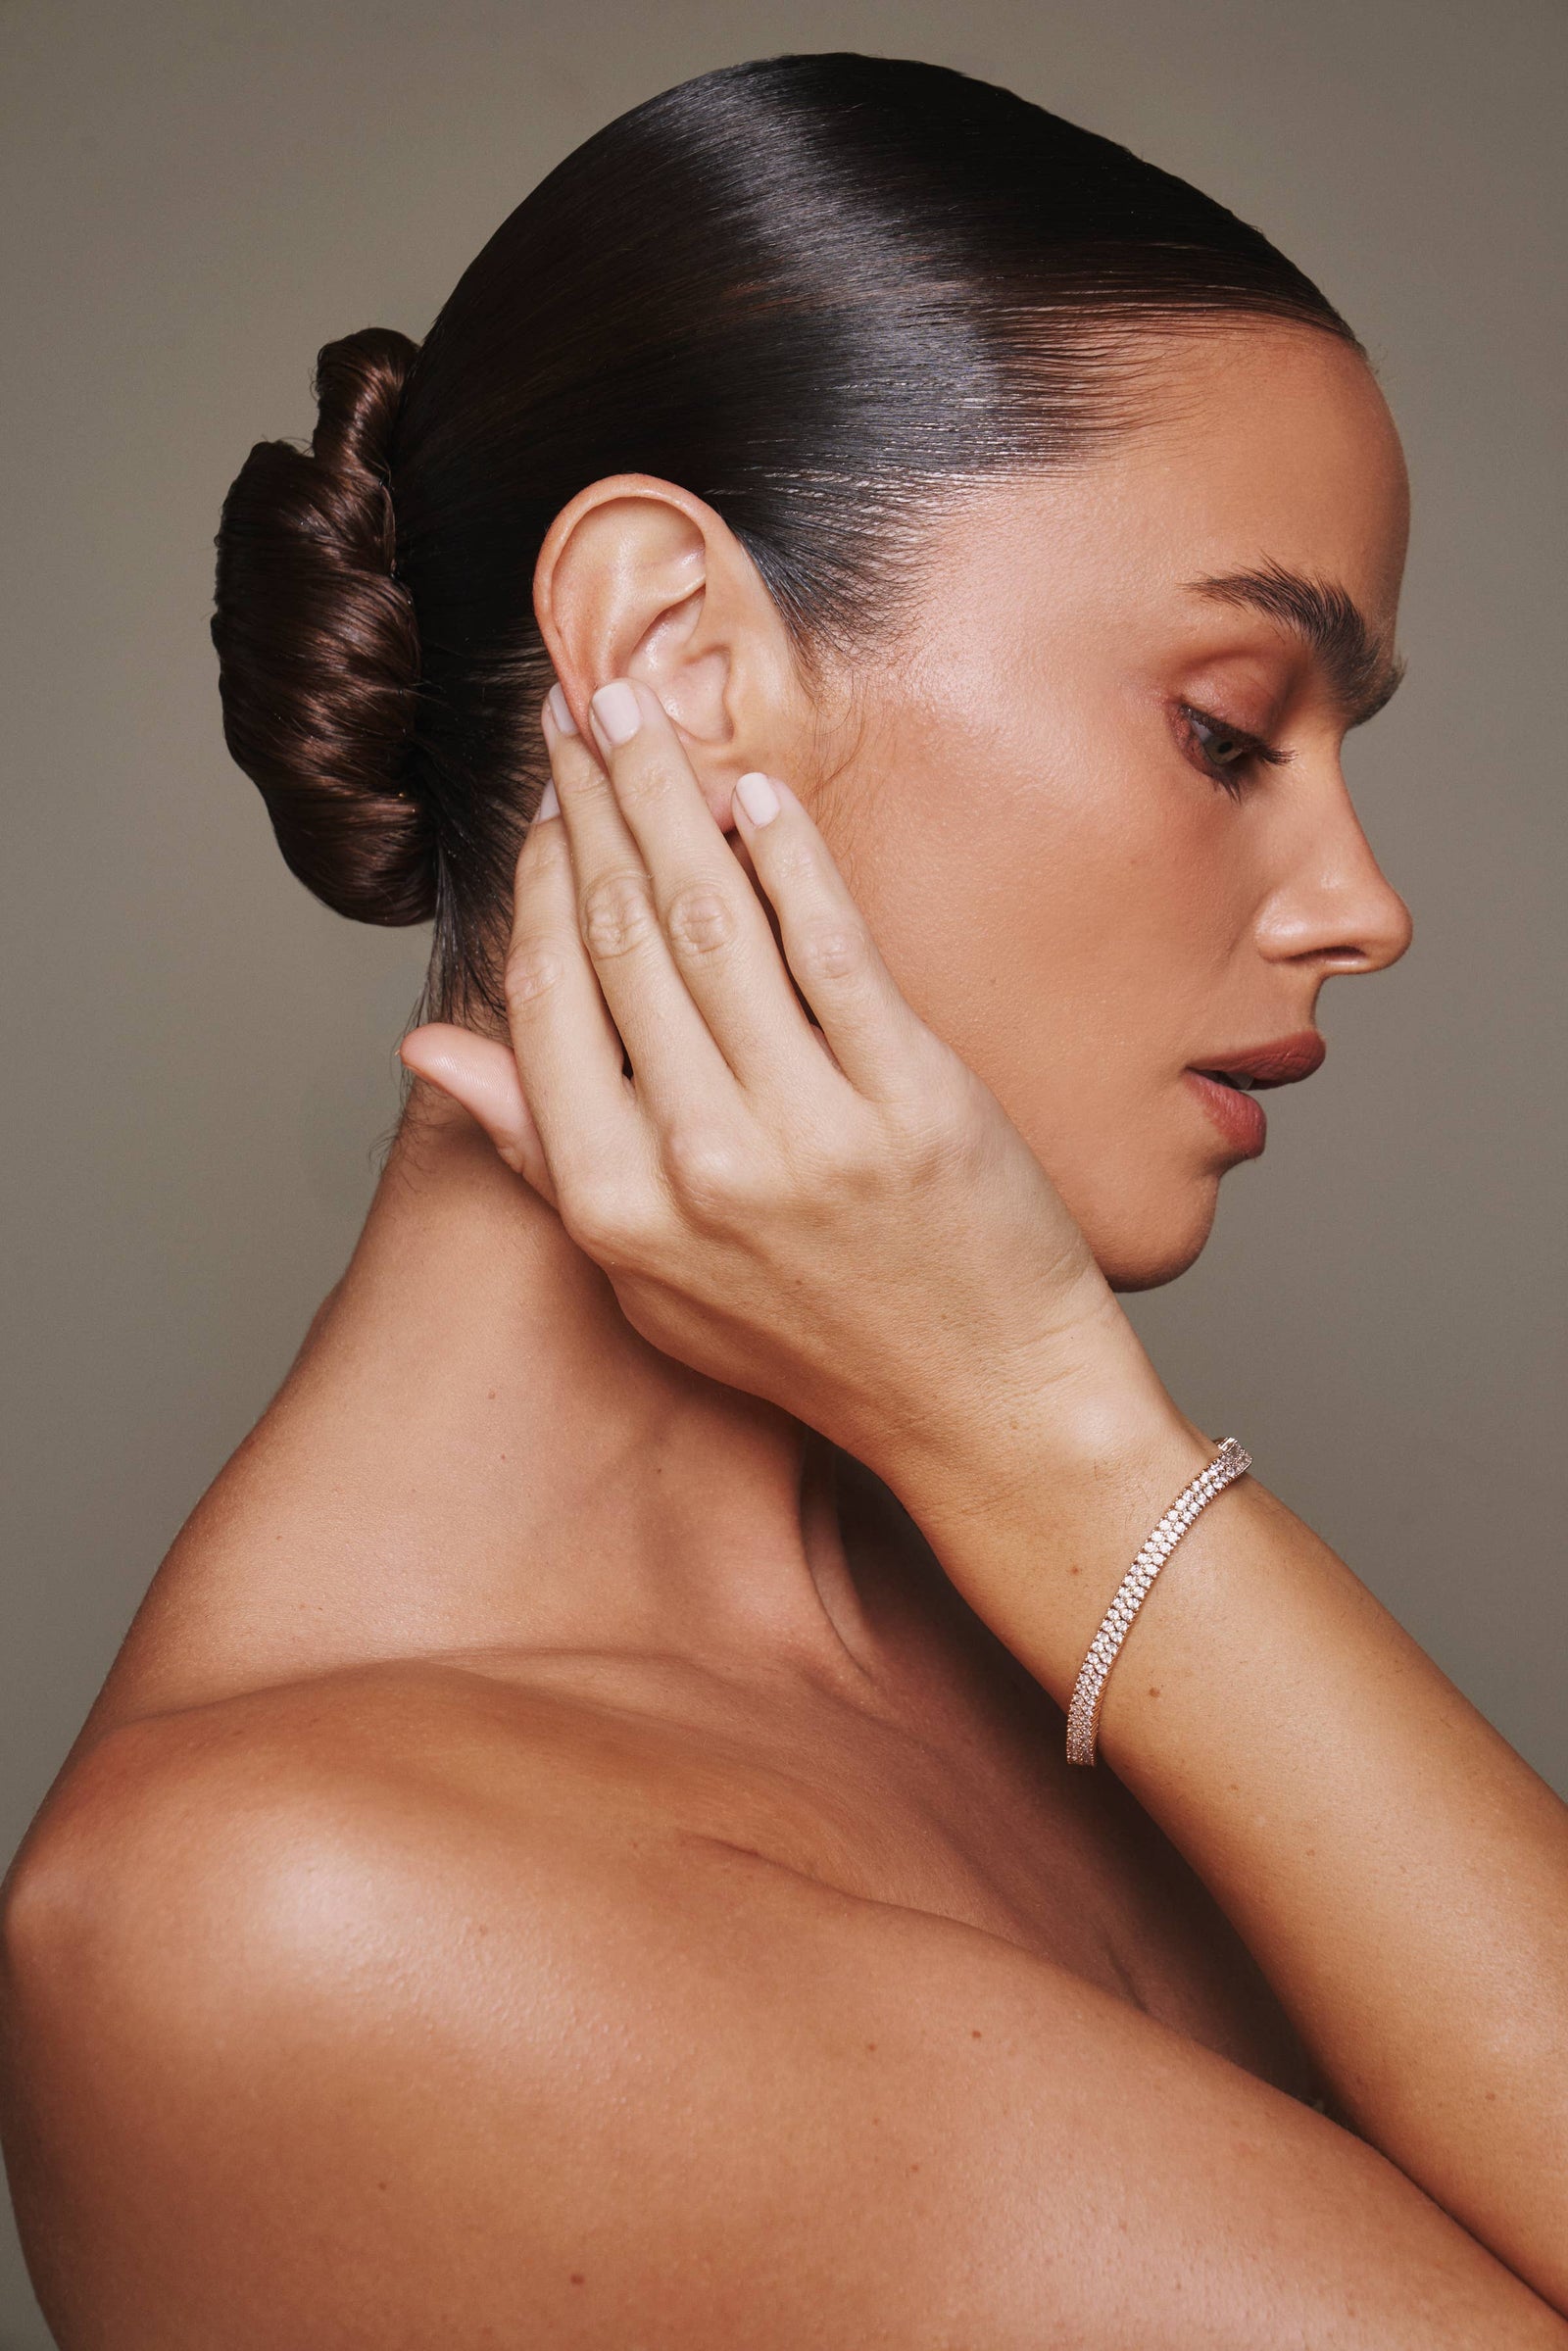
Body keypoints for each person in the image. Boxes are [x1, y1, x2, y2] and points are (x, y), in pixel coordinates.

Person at [3, 51, 1565, 2349]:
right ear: (669, 664)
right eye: (1228, 729)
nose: (1357, 907)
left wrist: (1032, 1450)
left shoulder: (994, 1599)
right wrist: (1050, 1435)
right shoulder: (286, 1912)